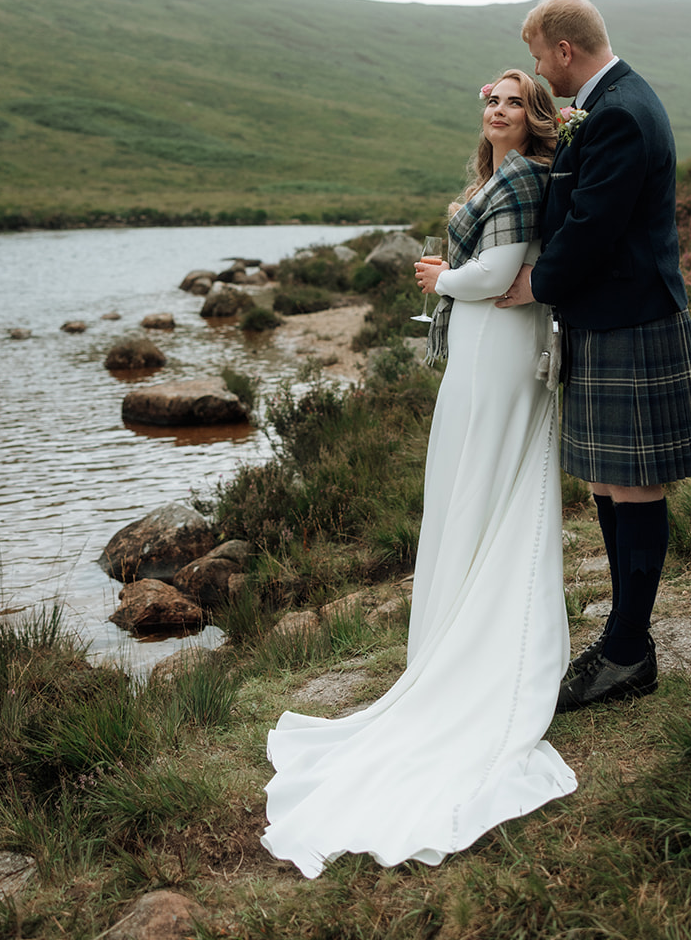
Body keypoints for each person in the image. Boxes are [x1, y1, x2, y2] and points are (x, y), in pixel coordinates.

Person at [261, 69, 577, 877]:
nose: (496, 110)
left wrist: (441, 278)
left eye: (511, 101)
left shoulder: (522, 177)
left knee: (489, 472)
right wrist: (453, 279)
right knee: (470, 475)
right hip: (480, 343)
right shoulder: (500, 173)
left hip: (500, 342)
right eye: (490, 101)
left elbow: (498, 273)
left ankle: (480, 638)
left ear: (534, 115)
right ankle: (453, 627)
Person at [497, 0, 691, 712]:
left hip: (630, 316)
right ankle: (627, 636)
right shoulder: (609, 101)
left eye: (537, 55)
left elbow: (595, 223)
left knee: (633, 483)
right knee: (605, 481)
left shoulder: (618, 110)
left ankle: (627, 652)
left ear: (564, 50)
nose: (537, 70)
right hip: (607, 315)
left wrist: (537, 283)